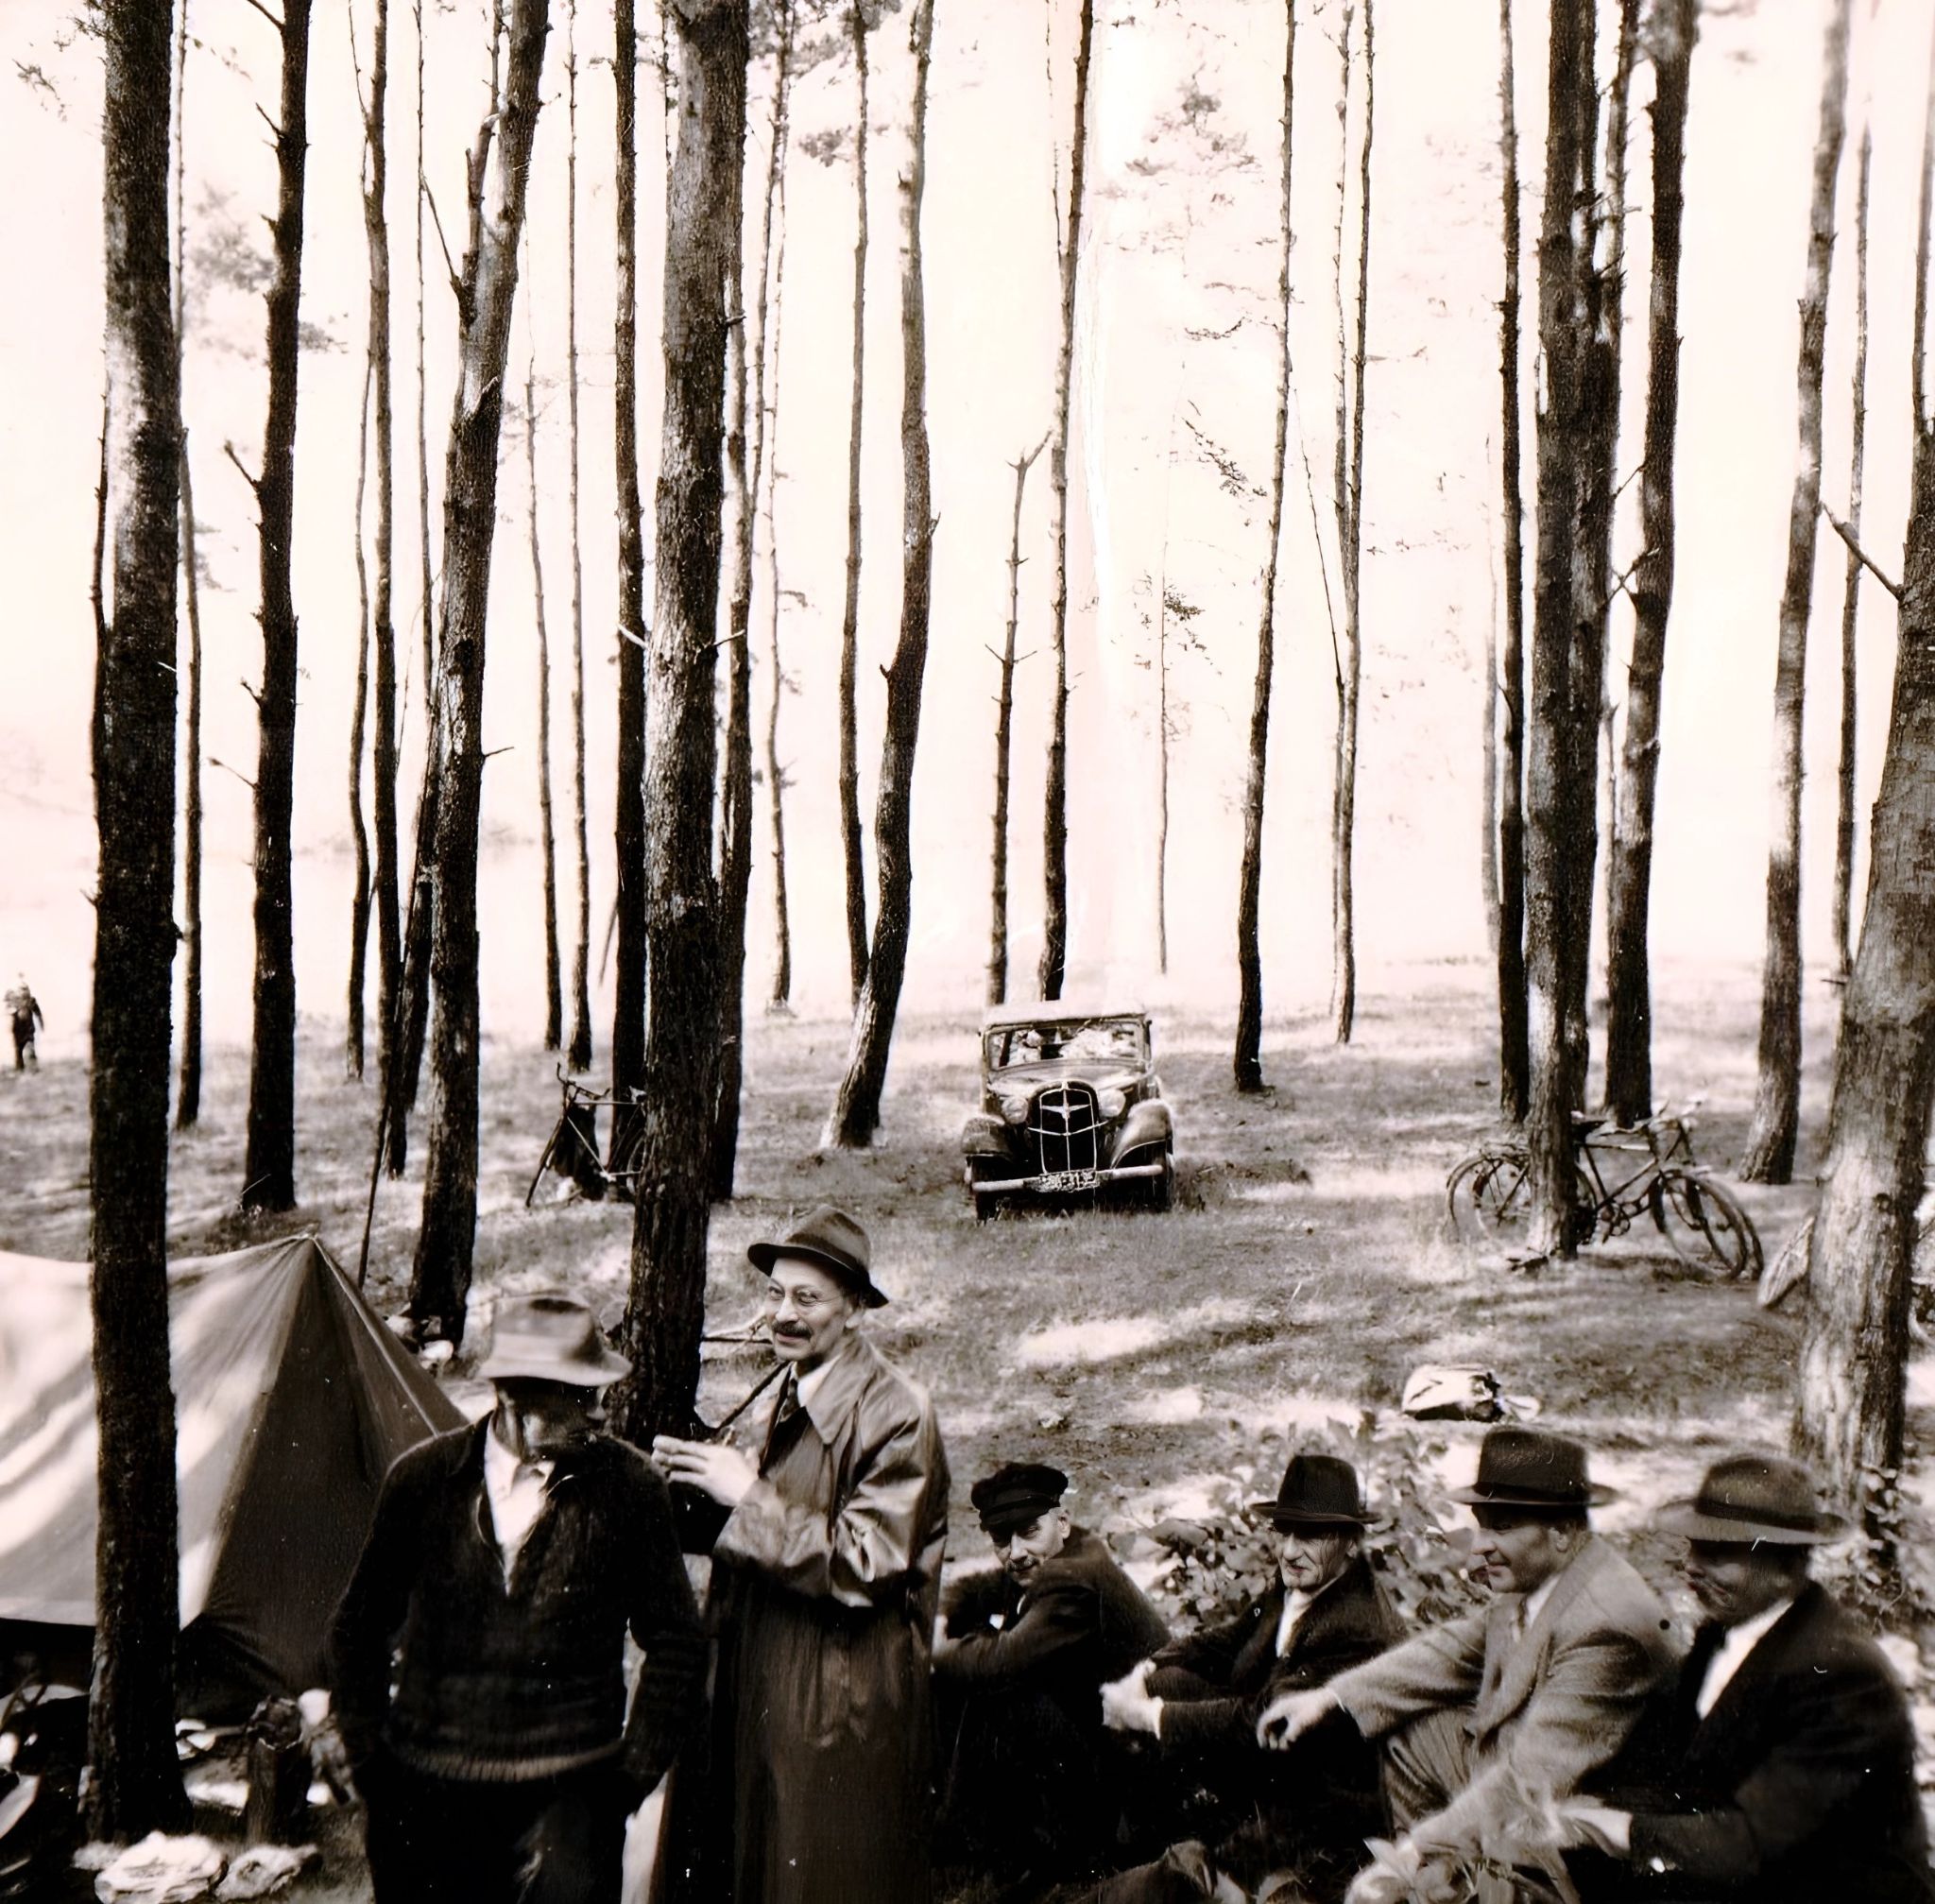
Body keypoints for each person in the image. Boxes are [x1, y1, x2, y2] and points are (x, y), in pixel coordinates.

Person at [329, 1293, 706, 1904]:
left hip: (571, 1794)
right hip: (428, 1790)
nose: (601, 1415)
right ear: (511, 1396)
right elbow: (356, 1628)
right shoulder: (423, 1481)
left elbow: (678, 1642)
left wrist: (626, 1781)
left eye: (600, 1394)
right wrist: (373, 1764)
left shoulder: (632, 1488)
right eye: (581, 1397)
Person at [652, 1205, 951, 1904]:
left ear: (854, 1307)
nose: (783, 1314)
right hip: (763, 1676)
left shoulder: (900, 1412)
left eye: (806, 1298)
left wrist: (747, 1494)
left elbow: (867, 1561)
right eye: (774, 1293)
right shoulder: (791, 1384)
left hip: (836, 1709)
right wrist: (684, 1488)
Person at [1258, 1427, 1678, 1902]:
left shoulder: (1608, 1627)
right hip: (1535, 1786)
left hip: (1586, 1833)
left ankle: (1449, 1881)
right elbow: (1455, 1649)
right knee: (1411, 1732)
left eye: (1501, 1526)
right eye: (1481, 1524)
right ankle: (1444, 1883)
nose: (1479, 1546)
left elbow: (1527, 1781)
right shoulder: (1545, 1576)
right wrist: (1329, 1697)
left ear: (1562, 1531)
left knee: (1436, 1847)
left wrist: (1409, 1855)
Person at [1564, 1451, 1934, 1902]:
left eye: (1720, 1553)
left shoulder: (1842, 1675)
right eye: (1695, 1547)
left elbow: (1756, 1841)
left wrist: (1618, 1827)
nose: (1693, 1567)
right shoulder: (1719, 1637)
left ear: (1788, 1568)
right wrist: (1579, 1804)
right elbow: (1658, 1762)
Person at [1095, 1453, 1402, 1904]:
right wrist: (1149, 1670)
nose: (1291, 1550)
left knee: (1160, 1714)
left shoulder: (1356, 1624)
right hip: (1274, 1762)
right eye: (1286, 1531)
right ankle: (1138, 1852)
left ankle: (1182, 1869)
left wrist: (1150, 1715)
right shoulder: (1302, 1582)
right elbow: (1229, 1639)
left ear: (1351, 1542)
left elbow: (1265, 1716)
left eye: (1311, 1535)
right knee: (1169, 1684)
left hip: (1322, 1803)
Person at [932, 1459, 1171, 1888]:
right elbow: (976, 1588)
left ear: (1062, 1521)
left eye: (1028, 1532)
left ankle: (968, 1839)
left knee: (998, 1688)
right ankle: (965, 1827)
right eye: (1002, 1540)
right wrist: (945, 1618)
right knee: (977, 1662)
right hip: (1102, 1743)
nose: (1016, 1553)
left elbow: (998, 1664)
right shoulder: (1063, 1553)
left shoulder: (1074, 1580)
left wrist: (932, 1649)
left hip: (1132, 1786)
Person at [6, 977, 41, 1072]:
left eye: (25, 989)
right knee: (19, 1050)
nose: (24, 992)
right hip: (19, 1030)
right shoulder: (15, 1001)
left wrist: (41, 1022)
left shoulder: (31, 1001)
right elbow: (8, 1010)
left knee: (29, 1048)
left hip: (27, 1029)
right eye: (22, 989)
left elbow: (37, 1012)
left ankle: (32, 1068)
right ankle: (21, 1067)